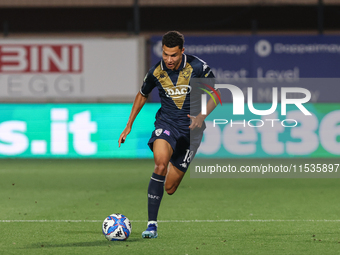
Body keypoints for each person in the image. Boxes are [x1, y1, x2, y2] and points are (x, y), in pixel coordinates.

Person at [118, 31, 220, 238]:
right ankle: (151, 225)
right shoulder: (156, 72)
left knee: (171, 187)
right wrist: (129, 125)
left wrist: (202, 115)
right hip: (166, 124)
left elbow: (216, 94)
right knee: (160, 164)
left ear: (182, 51)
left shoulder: (198, 67)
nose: (169, 59)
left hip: (192, 132)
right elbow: (142, 94)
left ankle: (174, 162)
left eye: (173, 55)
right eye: (165, 54)